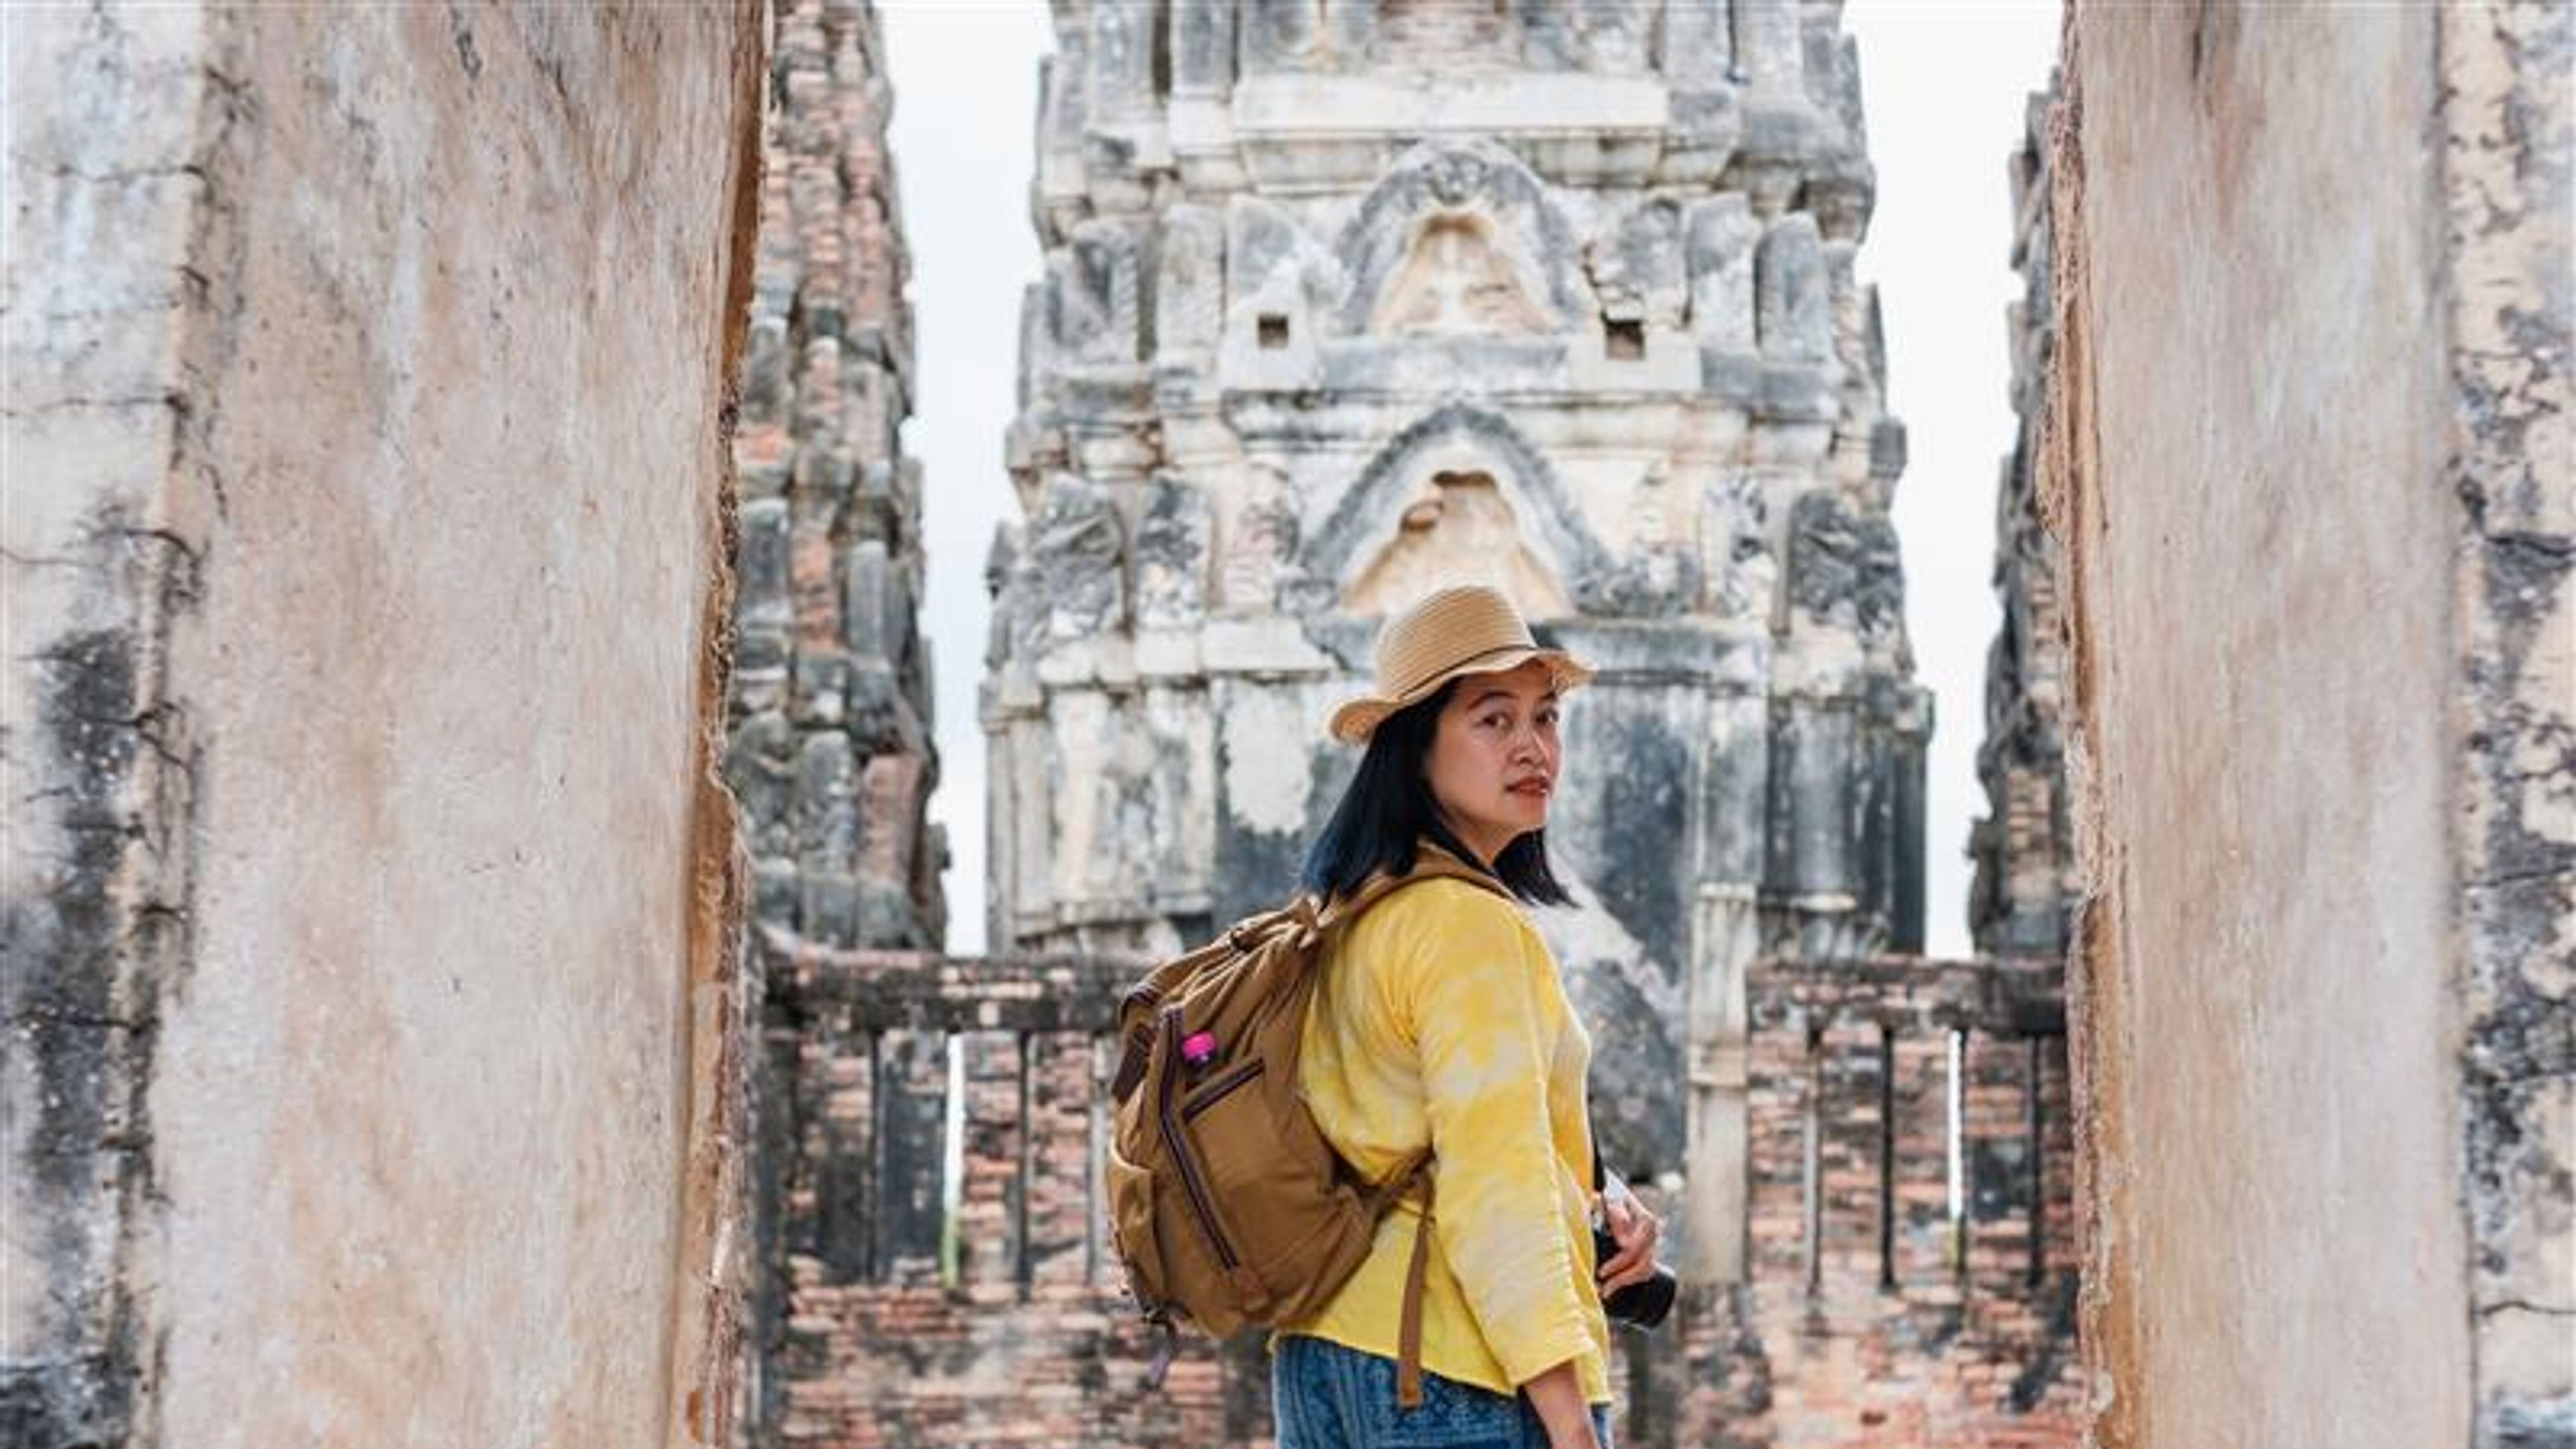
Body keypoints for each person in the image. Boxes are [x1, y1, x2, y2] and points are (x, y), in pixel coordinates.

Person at [1271, 584, 1661, 1449]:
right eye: (1494, 720)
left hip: (1321, 1354)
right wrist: (1569, 1424)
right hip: (1450, 1364)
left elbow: (1405, 1130)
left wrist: (1594, 1194)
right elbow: (1494, 1190)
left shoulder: (1348, 913)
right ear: (1415, 749)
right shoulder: (1468, 924)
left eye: (1547, 718)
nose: (1533, 748)